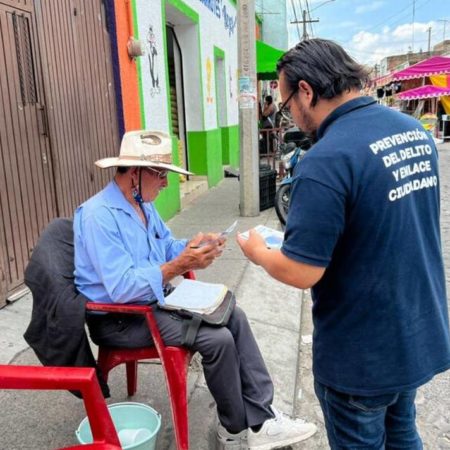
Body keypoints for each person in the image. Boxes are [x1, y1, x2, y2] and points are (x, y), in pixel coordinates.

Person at [237, 38, 450, 449]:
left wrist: (259, 252)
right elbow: (382, 224)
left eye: (286, 105)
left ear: (306, 91)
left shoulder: (326, 158)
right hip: (414, 333)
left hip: (360, 355)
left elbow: (301, 271)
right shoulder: (412, 132)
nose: (291, 117)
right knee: (403, 432)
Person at [74, 130, 317, 450]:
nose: (164, 183)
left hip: (154, 301)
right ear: (135, 173)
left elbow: (164, 247)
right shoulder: (98, 216)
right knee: (218, 340)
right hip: (122, 318)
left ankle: (262, 418)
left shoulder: (141, 205)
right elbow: (120, 288)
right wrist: (177, 266)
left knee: (234, 315)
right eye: (160, 175)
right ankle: (234, 429)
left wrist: (192, 246)